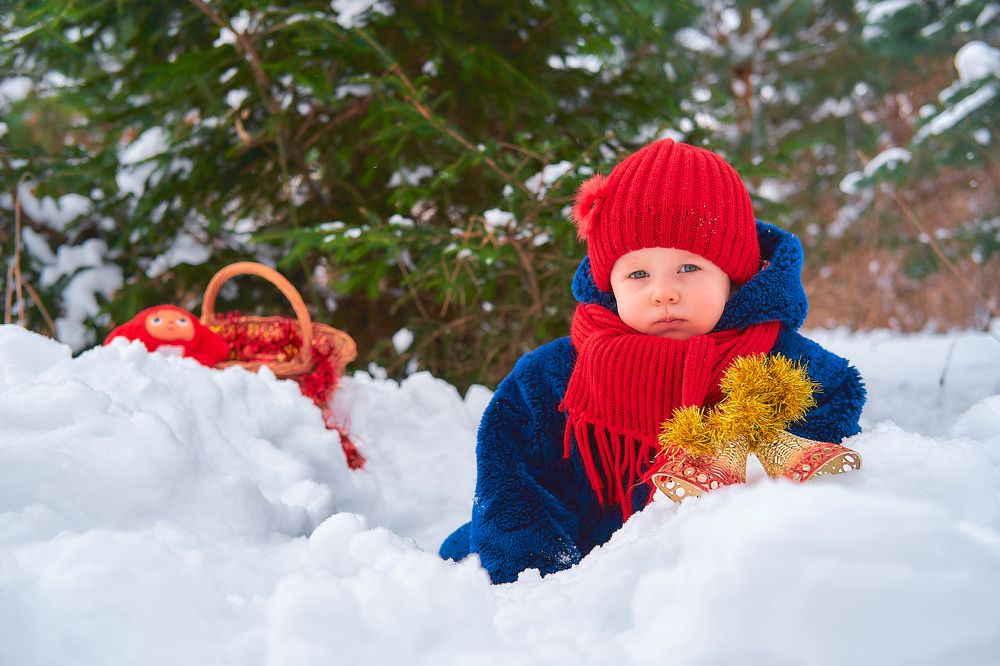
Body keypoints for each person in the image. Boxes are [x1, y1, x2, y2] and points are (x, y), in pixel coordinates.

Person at [439, 138, 866, 584]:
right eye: (638, 274)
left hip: (718, 574)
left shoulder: (781, 364)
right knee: (459, 558)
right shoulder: (551, 378)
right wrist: (544, 590)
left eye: (689, 268)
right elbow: (515, 491)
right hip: (582, 574)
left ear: (733, 277)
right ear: (611, 284)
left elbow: (826, 443)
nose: (663, 291)